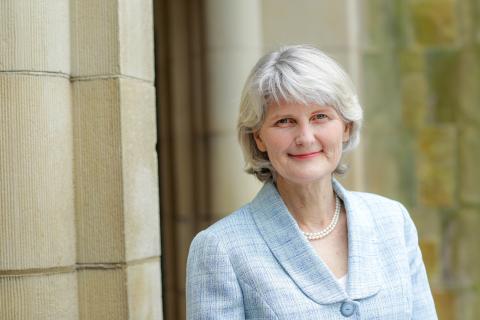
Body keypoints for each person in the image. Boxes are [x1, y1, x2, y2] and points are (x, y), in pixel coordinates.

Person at [186, 45, 437, 319]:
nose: (305, 137)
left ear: (346, 127)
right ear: (259, 137)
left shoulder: (393, 221)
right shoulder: (220, 248)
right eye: (285, 121)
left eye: (320, 116)